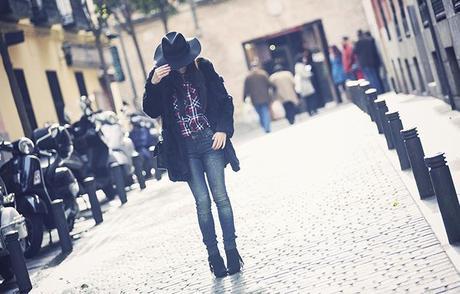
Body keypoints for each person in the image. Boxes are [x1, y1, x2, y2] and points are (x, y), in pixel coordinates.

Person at [142, 32, 242, 278]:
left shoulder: (203, 67)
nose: (181, 67)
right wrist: (152, 84)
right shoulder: (160, 77)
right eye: (176, 63)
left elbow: (224, 101)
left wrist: (222, 130)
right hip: (184, 150)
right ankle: (213, 256)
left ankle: (231, 252)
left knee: (221, 198)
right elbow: (151, 110)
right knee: (203, 204)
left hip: (210, 143)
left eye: (183, 61)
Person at [243, 62, 273, 133]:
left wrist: (244, 97)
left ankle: (265, 126)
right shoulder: (263, 74)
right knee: (265, 112)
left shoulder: (248, 77)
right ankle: (266, 127)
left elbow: (246, 89)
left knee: (260, 113)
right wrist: (273, 88)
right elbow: (269, 84)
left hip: (255, 99)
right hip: (264, 97)